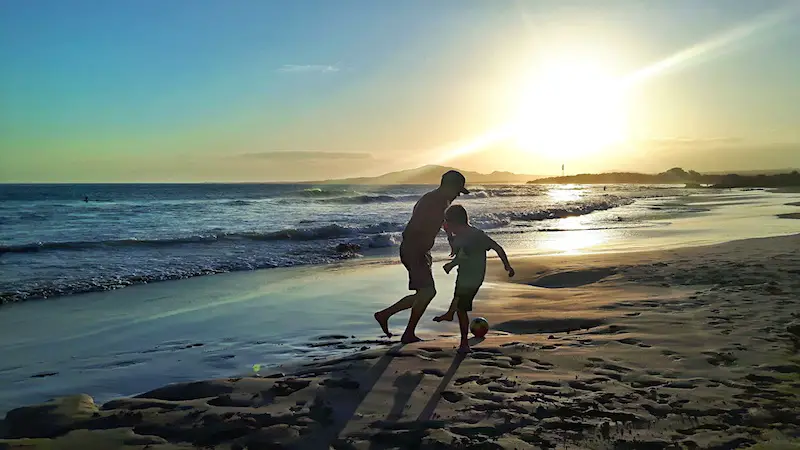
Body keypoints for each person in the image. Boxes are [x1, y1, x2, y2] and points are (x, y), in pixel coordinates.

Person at [374, 170, 470, 343]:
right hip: (415, 249)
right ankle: (405, 331)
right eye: (457, 190)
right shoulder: (433, 201)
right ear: (448, 186)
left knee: (423, 293)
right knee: (427, 292)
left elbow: (443, 222)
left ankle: (386, 316)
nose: (458, 195)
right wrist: (419, 249)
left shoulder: (441, 200)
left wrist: (450, 239)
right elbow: (418, 227)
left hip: (420, 250)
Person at [433, 205, 514, 353]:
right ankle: (450, 314)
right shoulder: (461, 235)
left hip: (473, 277)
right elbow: (457, 252)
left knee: (461, 308)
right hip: (463, 275)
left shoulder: (477, 235)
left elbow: (497, 247)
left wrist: (507, 265)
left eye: (447, 222)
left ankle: (464, 343)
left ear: (455, 222)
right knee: (458, 298)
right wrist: (449, 235)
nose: (446, 225)